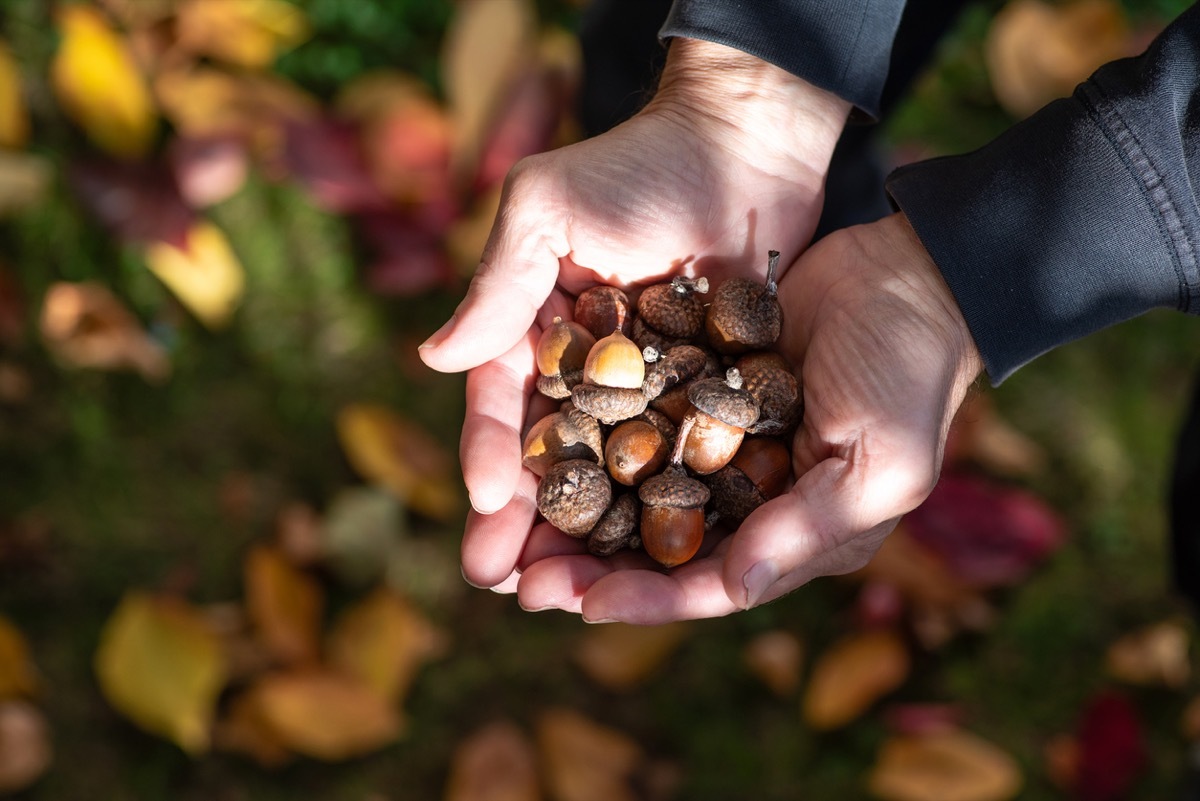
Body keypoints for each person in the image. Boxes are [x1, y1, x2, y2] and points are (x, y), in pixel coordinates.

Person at [419, 1, 1200, 624]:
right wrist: (746, 79)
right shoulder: (653, 393)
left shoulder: (684, 398)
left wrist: (959, 279)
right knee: (632, 46)